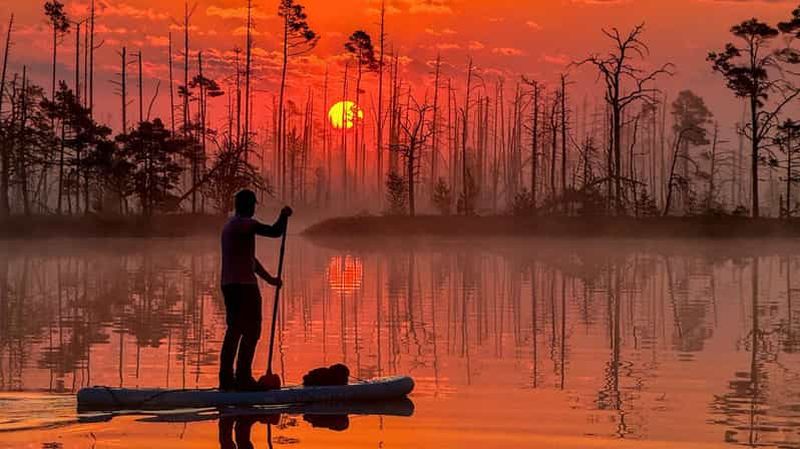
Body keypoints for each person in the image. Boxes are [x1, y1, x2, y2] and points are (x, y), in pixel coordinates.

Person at [219, 189, 292, 391]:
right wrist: (283, 216)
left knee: (235, 330)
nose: (253, 209)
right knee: (250, 330)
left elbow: (250, 261)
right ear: (245, 206)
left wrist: (270, 280)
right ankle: (242, 378)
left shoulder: (231, 226)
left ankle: (227, 379)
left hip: (230, 284)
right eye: (252, 205)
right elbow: (275, 232)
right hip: (243, 287)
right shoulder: (244, 224)